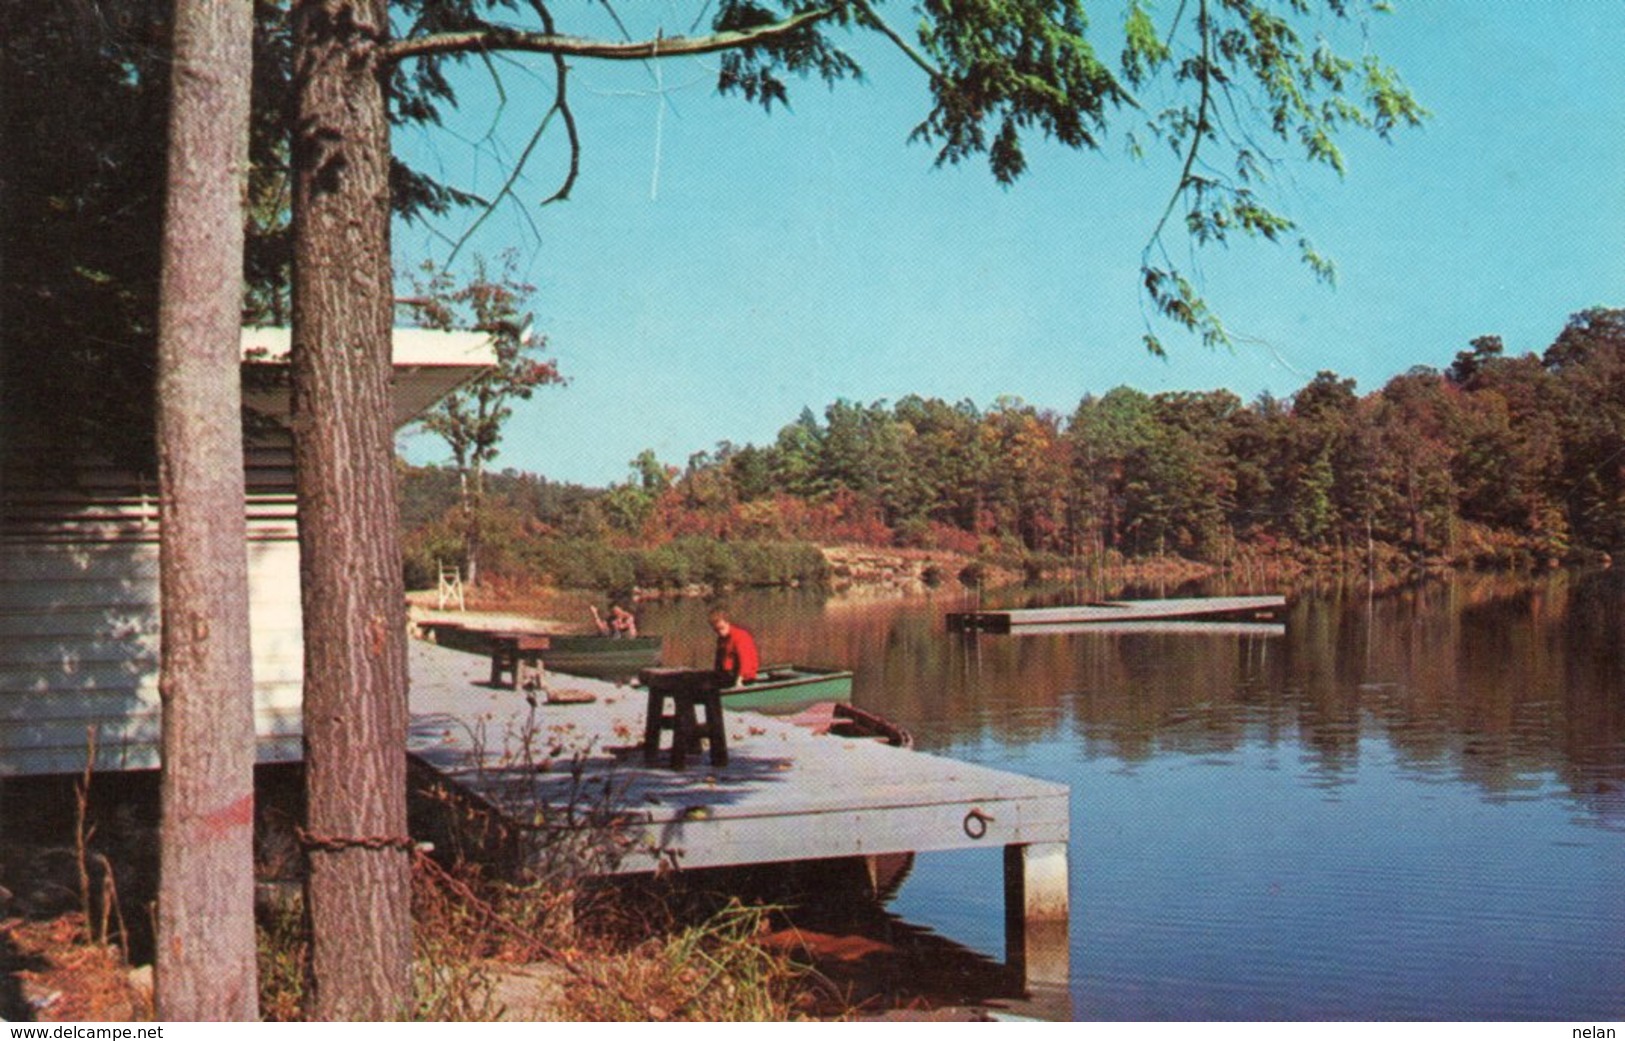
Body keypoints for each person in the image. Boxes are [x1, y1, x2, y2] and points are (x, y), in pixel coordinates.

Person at [708, 606, 759, 685]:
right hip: (728, 676)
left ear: (727, 622)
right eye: (716, 630)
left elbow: (745, 661)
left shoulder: (740, 636)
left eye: (722, 628)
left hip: (744, 678)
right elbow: (718, 662)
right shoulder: (721, 639)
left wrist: (739, 680)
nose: (720, 632)